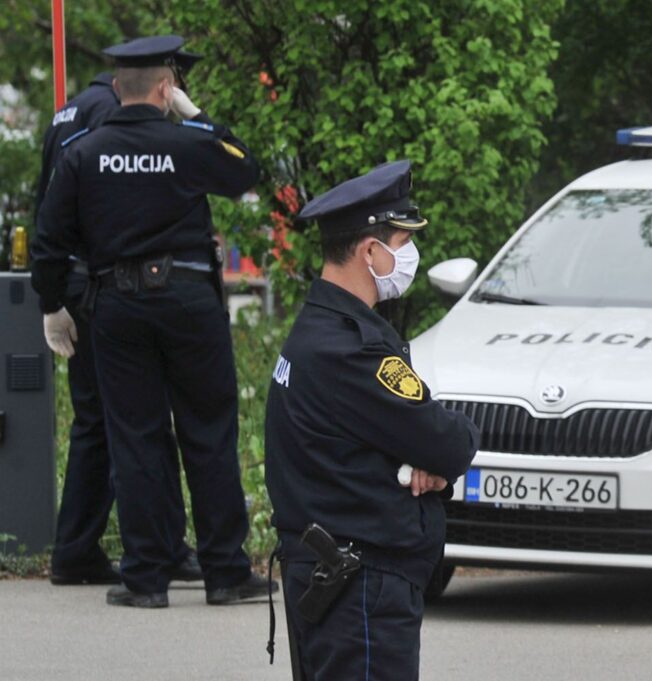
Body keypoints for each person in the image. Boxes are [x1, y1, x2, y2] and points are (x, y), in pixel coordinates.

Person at [31, 34, 274, 608]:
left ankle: (145, 579)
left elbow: (49, 238)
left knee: (134, 438)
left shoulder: (85, 150)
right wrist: (199, 116)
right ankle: (225, 572)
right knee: (208, 432)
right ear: (167, 90)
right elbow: (247, 171)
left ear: (118, 89)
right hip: (189, 303)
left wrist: (52, 305)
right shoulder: (188, 143)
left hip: (118, 307)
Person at [264, 160, 479, 680]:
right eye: (402, 243)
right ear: (369, 252)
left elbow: (398, 435)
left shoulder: (316, 331)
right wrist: (434, 456)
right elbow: (449, 442)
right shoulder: (351, 352)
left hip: (333, 576)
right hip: (360, 588)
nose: (409, 255)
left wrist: (423, 458)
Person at [35, 68, 201, 587]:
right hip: (108, 285)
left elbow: (47, 205)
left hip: (76, 284)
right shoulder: (117, 117)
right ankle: (160, 548)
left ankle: (77, 549)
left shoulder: (67, 112)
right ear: (163, 82)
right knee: (141, 422)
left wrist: (51, 295)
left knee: (97, 423)